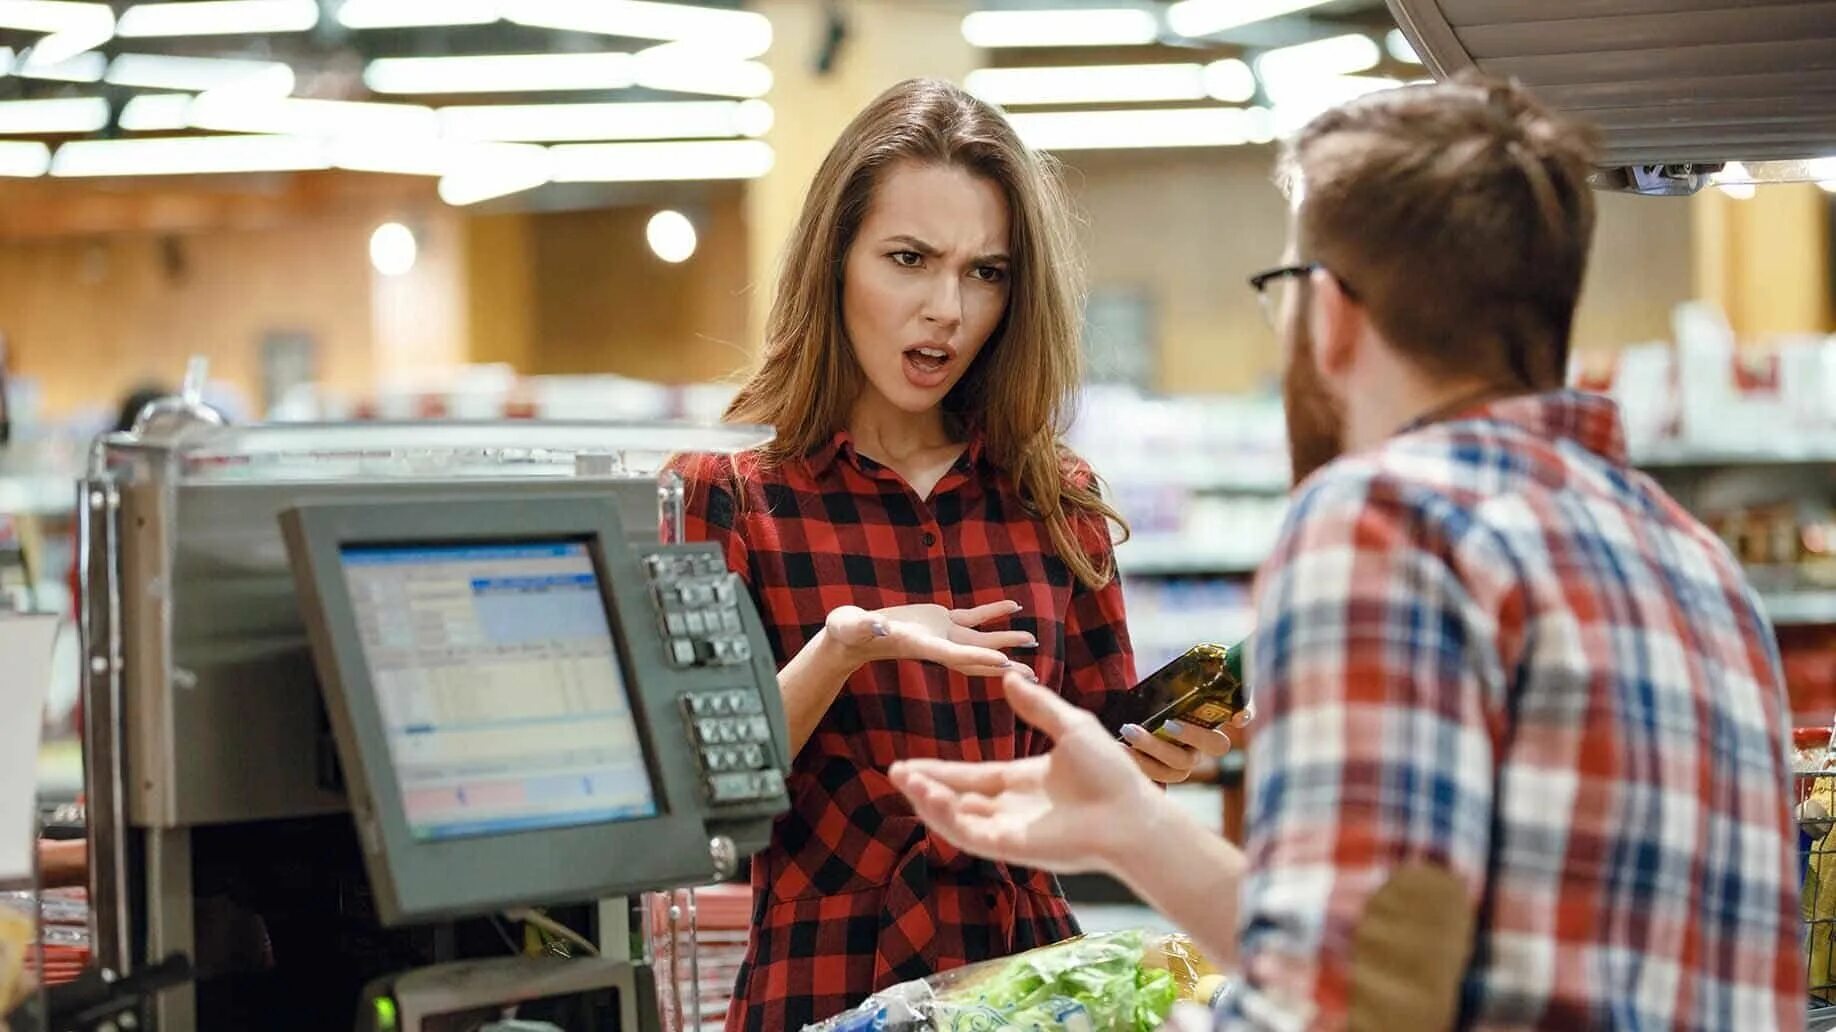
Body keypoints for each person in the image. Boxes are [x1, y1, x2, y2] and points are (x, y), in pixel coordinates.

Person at [890, 74, 1802, 1029]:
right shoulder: (1697, 562)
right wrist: (1135, 828)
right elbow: (1422, 954)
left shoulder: (1387, 521)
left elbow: (1338, 1006)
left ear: (1326, 311)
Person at [675, 78, 1233, 1032]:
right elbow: (703, 797)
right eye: (909, 259)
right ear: (835, 263)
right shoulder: (731, 503)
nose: (949, 308)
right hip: (821, 983)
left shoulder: (1054, 501)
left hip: (1033, 990)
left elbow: (1089, 764)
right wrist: (844, 647)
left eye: (987, 272)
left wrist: (1160, 756)